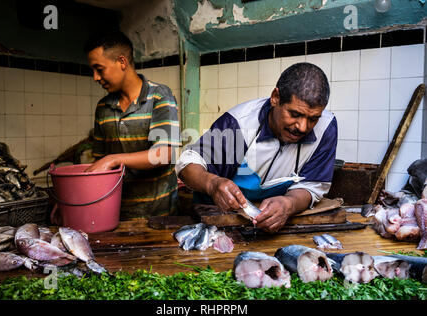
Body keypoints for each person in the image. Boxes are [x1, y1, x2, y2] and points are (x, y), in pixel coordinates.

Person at [176, 62, 337, 233]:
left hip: (274, 227)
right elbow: (188, 163)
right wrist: (212, 184)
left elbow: (312, 185)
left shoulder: (326, 127)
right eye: (295, 114)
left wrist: (288, 204)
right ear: (275, 97)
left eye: (313, 119)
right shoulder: (240, 123)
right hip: (216, 223)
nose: (303, 127)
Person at [84, 32, 180, 218]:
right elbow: (99, 163)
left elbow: (163, 154)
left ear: (122, 62)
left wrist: (112, 159)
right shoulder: (103, 107)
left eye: (99, 69)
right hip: (117, 212)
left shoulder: (159, 96)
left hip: (159, 215)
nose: (95, 77)